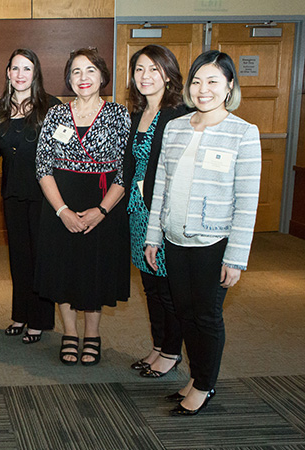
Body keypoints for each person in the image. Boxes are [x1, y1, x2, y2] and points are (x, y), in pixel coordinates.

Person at [145, 50, 261, 415]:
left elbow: (247, 201)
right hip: (175, 237)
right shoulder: (176, 126)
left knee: (206, 315)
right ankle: (196, 377)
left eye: (213, 81)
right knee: (184, 311)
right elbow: (160, 184)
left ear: (229, 87)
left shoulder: (243, 133)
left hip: (215, 241)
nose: (203, 89)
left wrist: (236, 257)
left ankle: (205, 385)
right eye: (197, 81)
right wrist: (152, 235)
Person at [35, 48, 130, 366]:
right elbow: (42, 167)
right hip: (60, 205)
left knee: (93, 272)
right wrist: (61, 210)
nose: (83, 78)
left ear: (102, 76)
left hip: (102, 205)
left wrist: (101, 211)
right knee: (62, 271)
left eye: (90, 70)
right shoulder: (56, 114)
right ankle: (70, 334)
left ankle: (92, 335)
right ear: (68, 79)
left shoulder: (118, 114)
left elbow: (124, 171)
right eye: (76, 72)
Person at [123, 45, 188, 378]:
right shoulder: (138, 113)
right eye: (139, 70)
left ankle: (172, 352)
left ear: (168, 73)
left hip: (162, 213)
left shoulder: (179, 114)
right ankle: (158, 346)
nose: (145, 76)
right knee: (149, 284)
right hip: (138, 211)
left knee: (166, 287)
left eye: (153, 69)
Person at [0, 48, 60, 344]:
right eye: (15, 69)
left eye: (27, 69)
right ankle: (20, 314)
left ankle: (40, 319)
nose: (20, 75)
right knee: (18, 257)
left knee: (41, 257)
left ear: (36, 74)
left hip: (44, 195)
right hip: (12, 194)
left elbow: (64, 154)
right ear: (8, 73)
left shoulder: (51, 107)